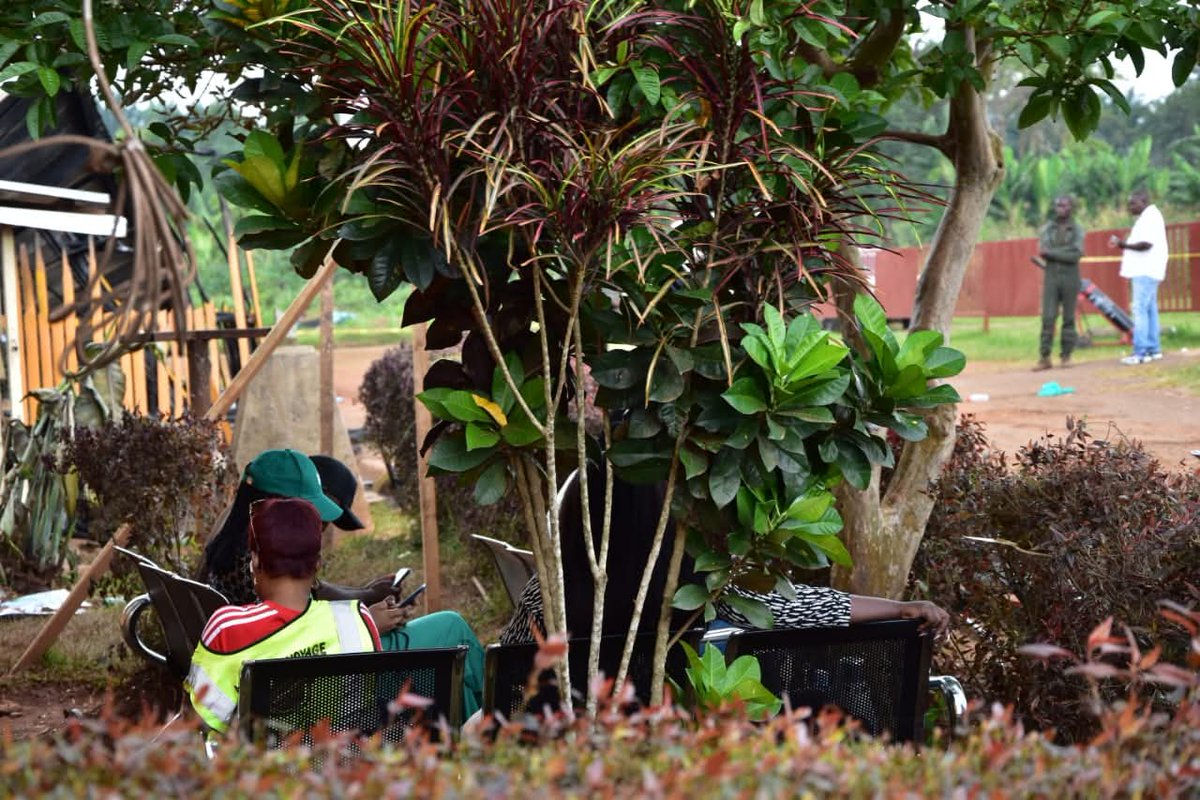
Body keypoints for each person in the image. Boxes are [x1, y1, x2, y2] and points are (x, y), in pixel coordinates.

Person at [498, 470, 949, 646]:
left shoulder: (551, 592)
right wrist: (899, 608)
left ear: (575, 523)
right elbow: (800, 607)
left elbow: (510, 657)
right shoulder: (697, 589)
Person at [200, 448, 484, 717]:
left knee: (452, 661)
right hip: (328, 682)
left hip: (292, 690)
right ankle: (497, 729)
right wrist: (366, 623)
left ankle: (484, 733)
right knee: (452, 630)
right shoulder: (253, 560)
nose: (318, 523)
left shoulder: (239, 547)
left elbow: (292, 615)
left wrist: (364, 598)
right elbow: (295, 639)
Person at [186, 497, 381, 734]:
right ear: (317, 564)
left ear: (255, 561)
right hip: (339, 765)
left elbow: (204, 720)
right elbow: (364, 706)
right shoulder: (356, 619)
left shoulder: (227, 628)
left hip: (261, 769)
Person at [1110, 190, 1169, 365]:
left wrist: (1122, 244)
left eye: (1133, 203)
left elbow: (1145, 244)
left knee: (1140, 310)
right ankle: (1153, 348)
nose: (1130, 207)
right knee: (1150, 308)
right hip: (1149, 269)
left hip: (1146, 270)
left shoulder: (1150, 218)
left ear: (1143, 202)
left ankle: (1141, 352)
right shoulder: (1149, 217)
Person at [1034, 196, 1085, 371]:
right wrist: (1065, 252)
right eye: (1057, 205)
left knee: (1069, 318)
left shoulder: (1077, 229)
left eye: (1064, 205)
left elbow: (1076, 254)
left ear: (1071, 207)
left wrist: (1053, 253)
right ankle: (1044, 357)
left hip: (1071, 277)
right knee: (1048, 317)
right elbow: (1043, 251)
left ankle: (1066, 356)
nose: (1060, 208)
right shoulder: (1047, 228)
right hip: (1051, 277)